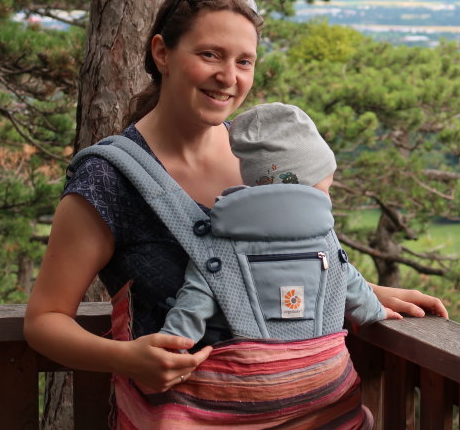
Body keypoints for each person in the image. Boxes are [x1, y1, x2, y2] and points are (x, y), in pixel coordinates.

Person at [23, 0, 448, 426]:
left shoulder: (264, 158)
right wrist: (126, 357)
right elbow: (45, 320)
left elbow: (278, 263)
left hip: (318, 414)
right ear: (162, 53)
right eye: (210, 54)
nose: (230, 77)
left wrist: (367, 292)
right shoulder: (109, 178)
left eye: (244, 61)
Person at [159, 102, 403, 347]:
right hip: (320, 370)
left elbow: (194, 302)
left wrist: (172, 345)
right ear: (300, 188)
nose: (329, 198)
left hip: (245, 375)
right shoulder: (323, 239)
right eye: (325, 188)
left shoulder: (220, 243)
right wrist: (376, 313)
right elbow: (348, 279)